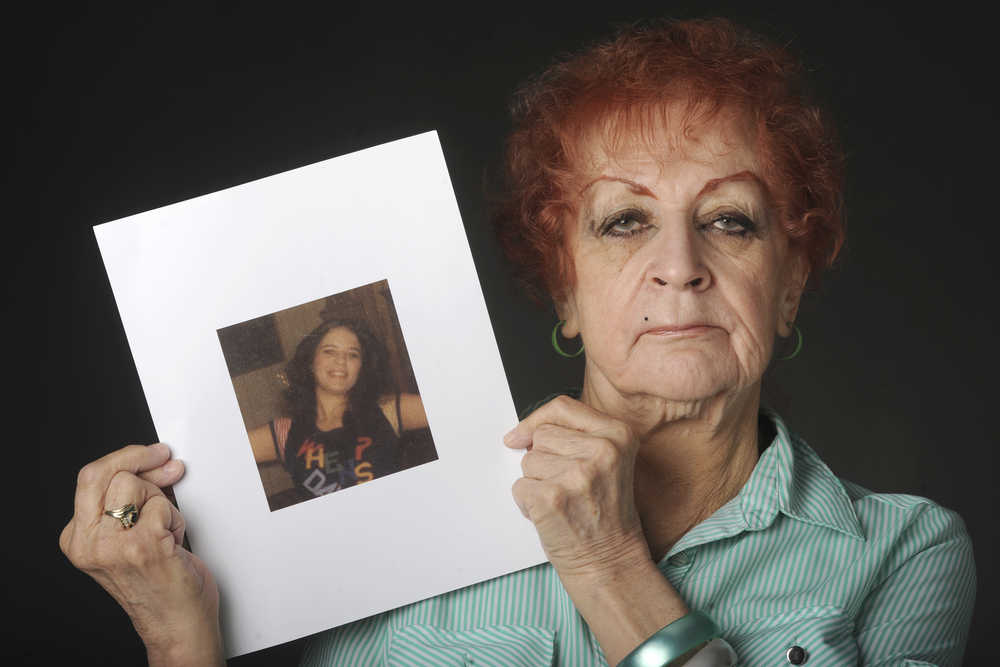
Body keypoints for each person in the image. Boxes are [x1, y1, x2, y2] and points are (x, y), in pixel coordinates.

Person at [59, 17, 975, 666]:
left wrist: (610, 562)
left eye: (730, 220)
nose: (680, 266)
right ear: (562, 288)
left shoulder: (903, 551)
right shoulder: (391, 518)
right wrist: (179, 644)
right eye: (623, 223)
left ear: (791, 282)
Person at [245, 318, 429, 501]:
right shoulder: (285, 432)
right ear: (310, 361)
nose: (341, 361)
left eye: (353, 354)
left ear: (362, 367)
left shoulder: (389, 410)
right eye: (329, 351)